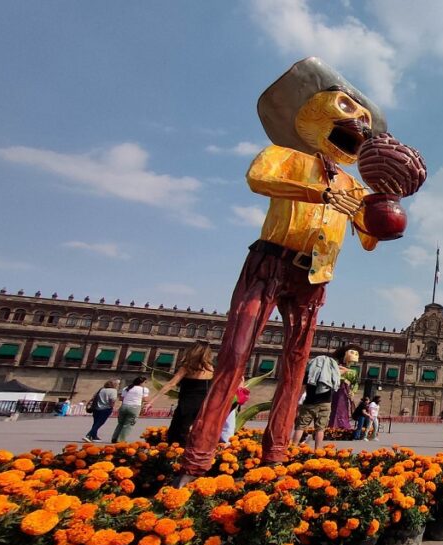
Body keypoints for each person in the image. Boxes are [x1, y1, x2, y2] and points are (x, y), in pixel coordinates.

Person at [175, 58, 425, 482]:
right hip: (269, 261)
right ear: (309, 113)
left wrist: (385, 206)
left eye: (366, 123)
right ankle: (196, 460)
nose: (361, 129)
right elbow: (259, 179)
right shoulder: (286, 156)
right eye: (349, 113)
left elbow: (367, 239)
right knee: (235, 353)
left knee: (296, 363)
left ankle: (275, 456)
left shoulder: (353, 186)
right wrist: (321, 192)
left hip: (314, 277)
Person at [147, 341, 214, 447]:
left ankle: (176, 456)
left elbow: (171, 384)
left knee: (177, 432)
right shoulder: (211, 369)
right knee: (196, 432)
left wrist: (151, 401)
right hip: (203, 405)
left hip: (186, 405)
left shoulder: (187, 367)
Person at [294, 354, 341, 450]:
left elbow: (302, 389)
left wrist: (297, 400)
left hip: (309, 403)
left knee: (300, 426)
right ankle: (317, 450)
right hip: (325, 403)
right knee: (320, 429)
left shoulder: (309, 373)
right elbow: (344, 370)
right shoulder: (331, 373)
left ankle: (292, 448)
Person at [328, 345, 361, 430]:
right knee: (335, 407)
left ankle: (343, 424)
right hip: (336, 390)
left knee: (344, 408)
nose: (351, 363)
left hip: (346, 391)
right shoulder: (336, 367)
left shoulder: (353, 371)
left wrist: (353, 391)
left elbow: (356, 383)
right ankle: (334, 424)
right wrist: (342, 378)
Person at [111, 376, 150, 443]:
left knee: (120, 423)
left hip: (124, 406)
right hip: (135, 407)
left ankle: (114, 438)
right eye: (145, 382)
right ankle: (121, 440)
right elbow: (145, 399)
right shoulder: (144, 389)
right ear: (141, 382)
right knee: (128, 424)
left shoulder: (127, 388)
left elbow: (121, 398)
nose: (145, 384)